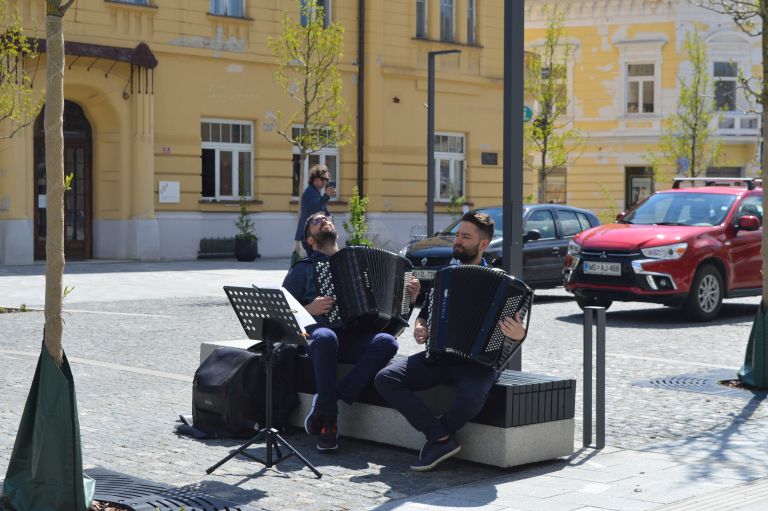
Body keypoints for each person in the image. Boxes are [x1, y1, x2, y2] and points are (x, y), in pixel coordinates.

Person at [374, 212, 527, 472]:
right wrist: (421, 327)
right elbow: (425, 314)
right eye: (457, 234)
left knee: (472, 395)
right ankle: (441, 438)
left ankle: (438, 437)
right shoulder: (446, 276)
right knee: (385, 378)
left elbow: (518, 330)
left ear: (483, 245)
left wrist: (518, 333)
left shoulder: (503, 284)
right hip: (440, 356)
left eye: (465, 237)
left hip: (478, 362)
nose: (457, 241)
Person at [283, 211, 421, 451]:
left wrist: (410, 298)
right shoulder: (302, 269)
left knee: (387, 342)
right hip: (317, 339)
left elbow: (396, 320)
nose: (324, 220)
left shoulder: (358, 262)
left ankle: (331, 399)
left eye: (326, 219)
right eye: (316, 221)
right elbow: (281, 315)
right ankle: (329, 420)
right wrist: (309, 308)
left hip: (353, 338)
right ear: (311, 241)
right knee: (326, 336)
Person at [294, 164, 336, 257]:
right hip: (310, 236)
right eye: (322, 179)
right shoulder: (310, 192)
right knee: (316, 262)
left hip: (311, 234)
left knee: (317, 262)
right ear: (314, 178)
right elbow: (314, 209)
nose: (325, 182)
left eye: (327, 180)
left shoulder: (315, 192)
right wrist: (326, 196)